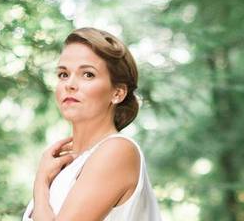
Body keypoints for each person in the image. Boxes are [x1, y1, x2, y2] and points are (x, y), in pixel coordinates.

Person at [21, 27, 162, 221]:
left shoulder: (118, 150)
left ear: (118, 93)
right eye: (63, 74)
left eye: (87, 74)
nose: (69, 84)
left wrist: (40, 183)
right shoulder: (63, 167)